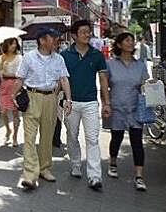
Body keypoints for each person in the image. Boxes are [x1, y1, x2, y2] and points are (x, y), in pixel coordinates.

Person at [13, 27, 72, 190]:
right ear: (42, 40)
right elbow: (20, 79)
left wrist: (68, 99)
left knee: (47, 135)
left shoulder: (59, 59)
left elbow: (64, 79)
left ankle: (44, 168)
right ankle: (30, 174)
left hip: (51, 98)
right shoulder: (29, 58)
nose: (56, 41)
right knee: (30, 137)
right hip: (32, 97)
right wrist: (12, 95)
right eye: (53, 38)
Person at [60, 20, 109, 191]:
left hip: (90, 102)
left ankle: (95, 176)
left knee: (92, 138)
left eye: (88, 32)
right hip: (71, 103)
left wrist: (106, 103)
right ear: (74, 35)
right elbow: (61, 80)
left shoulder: (97, 55)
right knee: (72, 136)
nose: (87, 35)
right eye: (83, 32)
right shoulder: (65, 55)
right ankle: (75, 164)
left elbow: (103, 79)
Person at [105, 32, 149, 191]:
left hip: (135, 109)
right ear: (119, 44)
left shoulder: (141, 65)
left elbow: (144, 85)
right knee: (116, 138)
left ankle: (139, 176)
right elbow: (105, 85)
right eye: (127, 40)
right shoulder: (110, 64)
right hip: (117, 108)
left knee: (137, 142)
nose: (131, 43)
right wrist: (106, 104)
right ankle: (113, 163)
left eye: (132, 40)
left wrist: (152, 86)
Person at [0, 38, 22, 147]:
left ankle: (15, 136)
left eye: (15, 44)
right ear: (7, 45)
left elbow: (20, 73)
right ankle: (8, 129)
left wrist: (9, 74)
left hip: (16, 86)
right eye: (12, 44)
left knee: (15, 112)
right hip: (4, 86)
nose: (14, 46)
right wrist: (2, 65)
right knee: (3, 112)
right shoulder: (0, 58)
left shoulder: (19, 58)